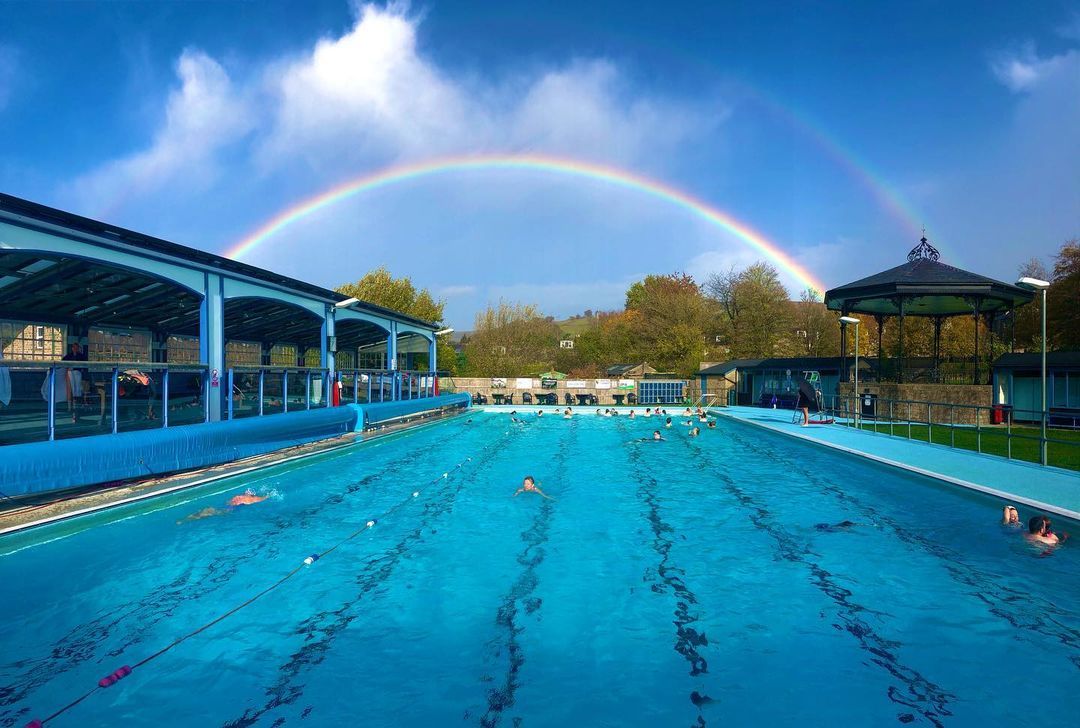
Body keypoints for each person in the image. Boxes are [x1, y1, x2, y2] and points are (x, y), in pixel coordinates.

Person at [178, 489, 267, 523]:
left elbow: (229, 502)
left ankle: (186, 519)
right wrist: (268, 495)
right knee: (211, 511)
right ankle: (187, 519)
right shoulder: (252, 499)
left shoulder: (239, 496)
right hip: (230, 510)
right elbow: (263, 498)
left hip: (229, 506)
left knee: (209, 511)